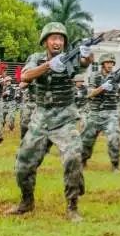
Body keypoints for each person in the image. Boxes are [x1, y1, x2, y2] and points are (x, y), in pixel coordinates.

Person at [6, 23, 93, 222]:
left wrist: (88, 54)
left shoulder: (71, 58)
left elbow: (84, 62)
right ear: (45, 41)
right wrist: (48, 65)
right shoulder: (36, 58)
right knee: (23, 164)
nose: (57, 42)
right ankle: (26, 202)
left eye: (61, 38)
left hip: (65, 119)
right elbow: (25, 76)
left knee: (73, 158)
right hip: (41, 119)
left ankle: (72, 207)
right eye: (53, 38)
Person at [80, 54, 120, 172]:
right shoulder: (95, 76)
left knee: (114, 138)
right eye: (108, 62)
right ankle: (83, 161)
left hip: (110, 113)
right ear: (102, 64)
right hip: (95, 113)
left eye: (112, 63)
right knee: (86, 140)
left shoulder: (116, 77)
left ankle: (115, 165)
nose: (110, 65)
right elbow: (90, 93)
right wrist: (102, 87)